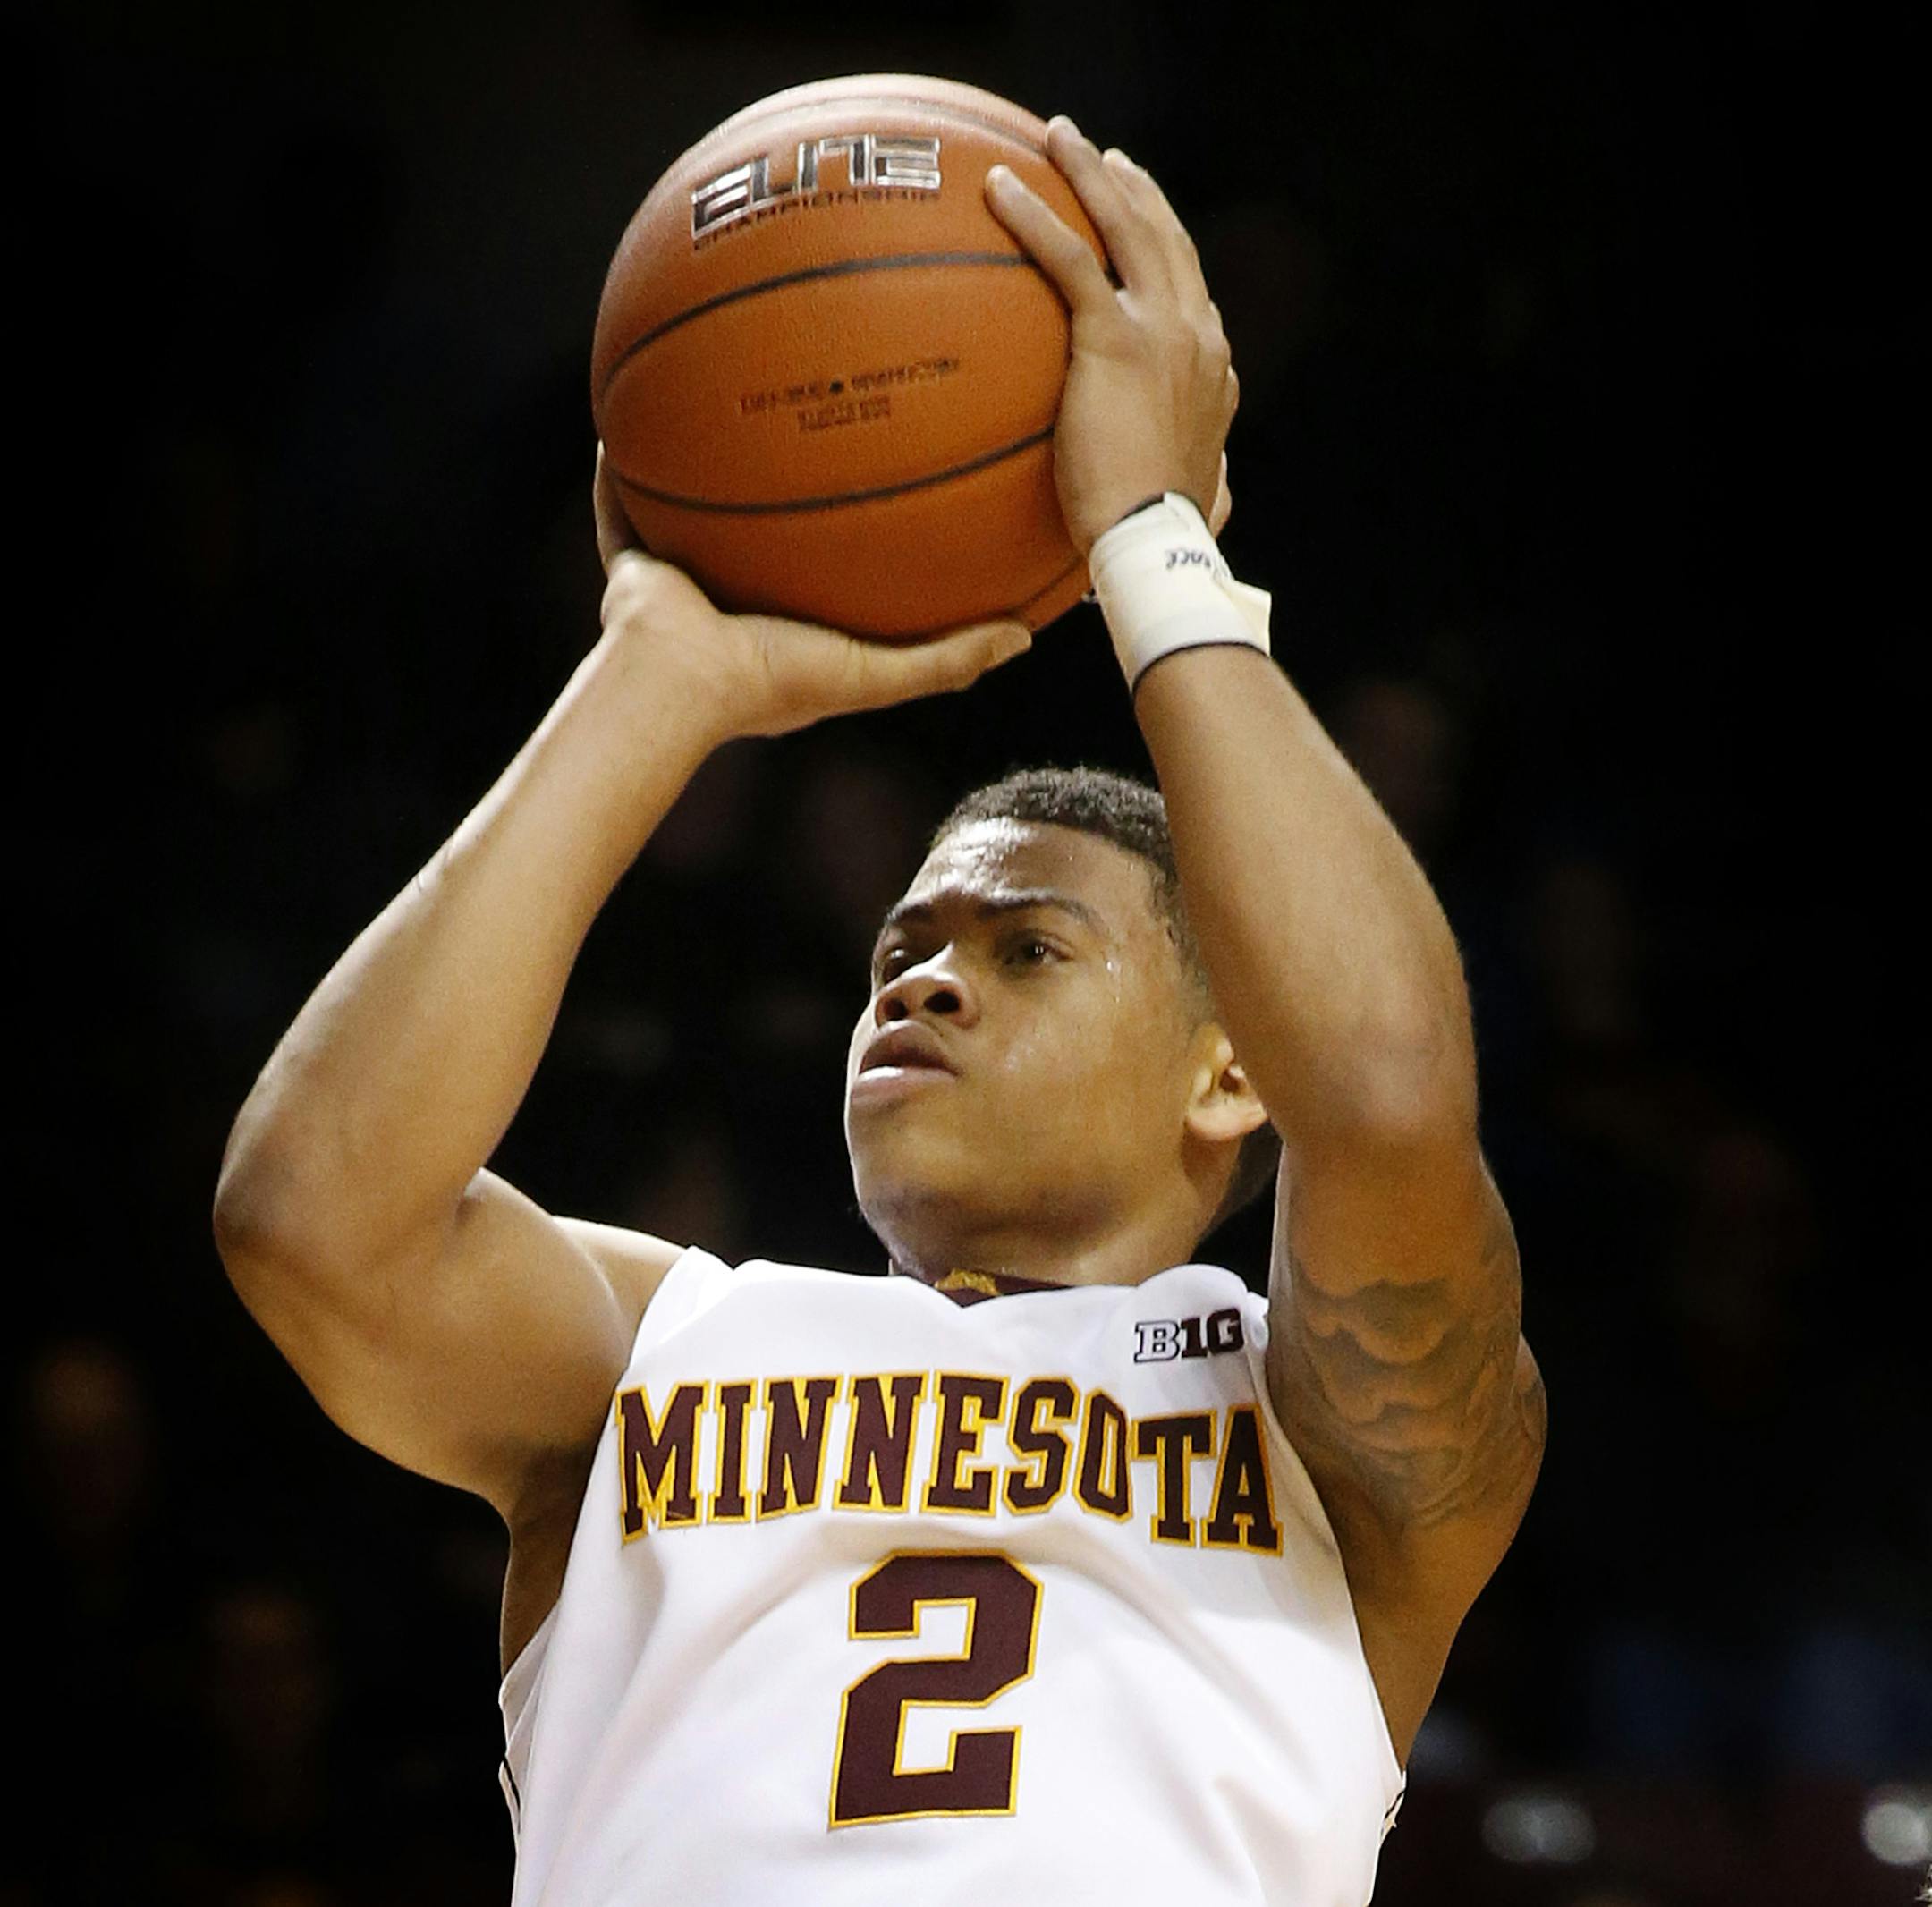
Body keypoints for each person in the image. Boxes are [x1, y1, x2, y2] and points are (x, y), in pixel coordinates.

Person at [213, 115, 1545, 1905]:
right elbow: (310, 1220)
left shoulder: (1314, 1419)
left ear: (1234, 1073)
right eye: (901, 947)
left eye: (1026, 948)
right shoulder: (654, 1348)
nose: (922, 972)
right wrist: (654, 680)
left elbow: (1384, 1089)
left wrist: (1152, 545)